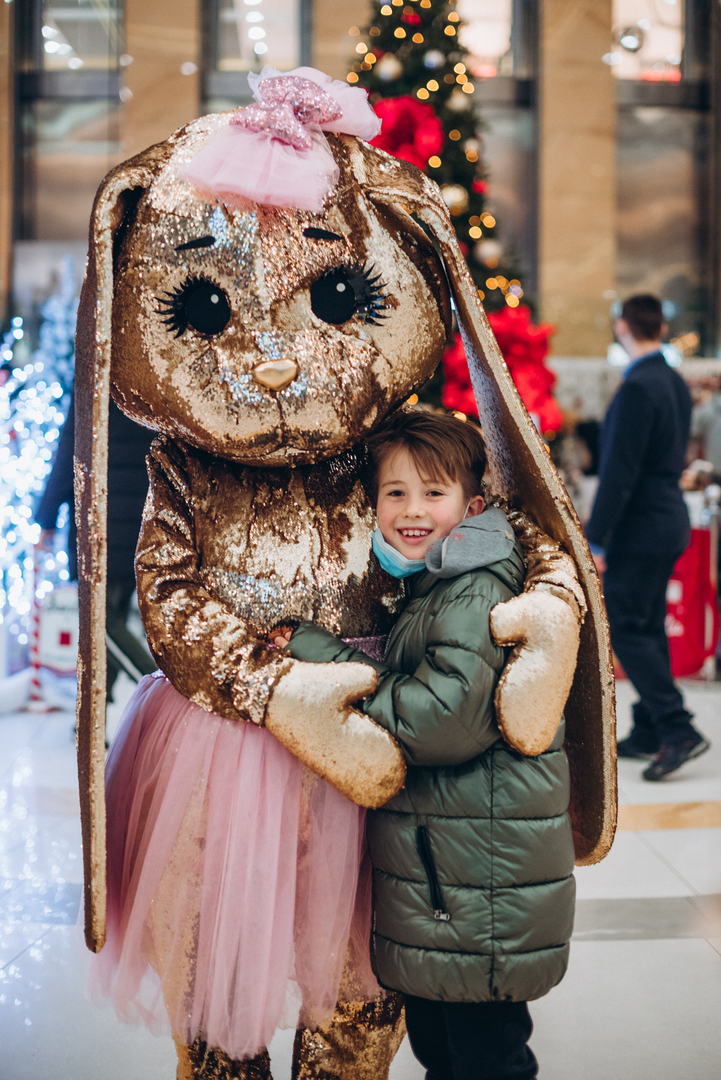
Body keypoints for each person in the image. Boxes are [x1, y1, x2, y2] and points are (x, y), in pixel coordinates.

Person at [276, 411, 576, 1080]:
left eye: (432, 493)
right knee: (445, 1052)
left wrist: (323, 657)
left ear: (470, 506)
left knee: (483, 1058)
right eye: (394, 493)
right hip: (454, 874)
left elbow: (443, 719)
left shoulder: (472, 585)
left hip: (478, 886)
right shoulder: (437, 578)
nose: (412, 510)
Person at [586, 294, 709, 780]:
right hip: (667, 521)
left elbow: (620, 472)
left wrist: (596, 541)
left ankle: (678, 727)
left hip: (640, 528)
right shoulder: (673, 381)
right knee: (649, 624)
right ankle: (648, 729)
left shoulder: (638, 386)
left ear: (623, 327)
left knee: (627, 626)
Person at [36, 392, 156, 699]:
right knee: (109, 623)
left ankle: (157, 689)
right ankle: (92, 719)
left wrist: (47, 517)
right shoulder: (147, 376)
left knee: (100, 622)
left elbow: (69, 450)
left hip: (98, 521)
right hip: (142, 517)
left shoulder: (94, 375)